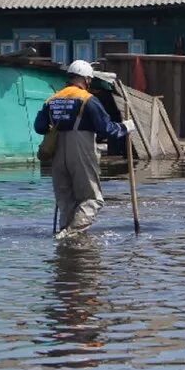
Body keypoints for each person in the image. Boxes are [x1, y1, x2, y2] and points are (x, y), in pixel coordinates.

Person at [33, 60, 133, 240]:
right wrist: (125, 127)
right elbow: (106, 130)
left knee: (66, 202)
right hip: (80, 149)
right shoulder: (88, 100)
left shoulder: (52, 99)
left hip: (56, 152)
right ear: (86, 79)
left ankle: (66, 244)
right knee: (93, 199)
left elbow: (39, 127)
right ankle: (70, 234)